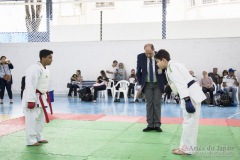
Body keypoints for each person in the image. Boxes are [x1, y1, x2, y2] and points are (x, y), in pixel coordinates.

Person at [154, 49, 206, 155]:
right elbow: (178, 84)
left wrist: (187, 100)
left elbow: (181, 83)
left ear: (164, 60)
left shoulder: (172, 67)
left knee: (190, 124)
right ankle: (184, 147)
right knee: (188, 123)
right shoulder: (172, 65)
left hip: (190, 96)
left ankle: (187, 149)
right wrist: (178, 96)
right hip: (189, 94)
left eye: (157, 61)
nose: (157, 64)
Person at [22, 49, 53, 146]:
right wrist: (30, 100)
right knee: (31, 119)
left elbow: (44, 85)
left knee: (40, 119)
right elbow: (30, 84)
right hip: (33, 97)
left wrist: (47, 97)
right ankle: (30, 140)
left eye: (51, 57)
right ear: (43, 58)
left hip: (42, 97)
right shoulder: (34, 68)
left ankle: (38, 137)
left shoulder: (46, 69)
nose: (51, 60)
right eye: (49, 57)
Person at [136, 44, 167, 132]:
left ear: (154, 50)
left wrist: (165, 83)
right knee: (149, 104)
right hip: (147, 84)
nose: (148, 55)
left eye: (150, 53)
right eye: (147, 53)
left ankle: (157, 124)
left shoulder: (160, 56)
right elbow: (138, 71)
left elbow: (165, 69)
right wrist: (140, 84)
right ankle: (150, 124)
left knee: (157, 104)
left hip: (158, 84)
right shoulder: (140, 57)